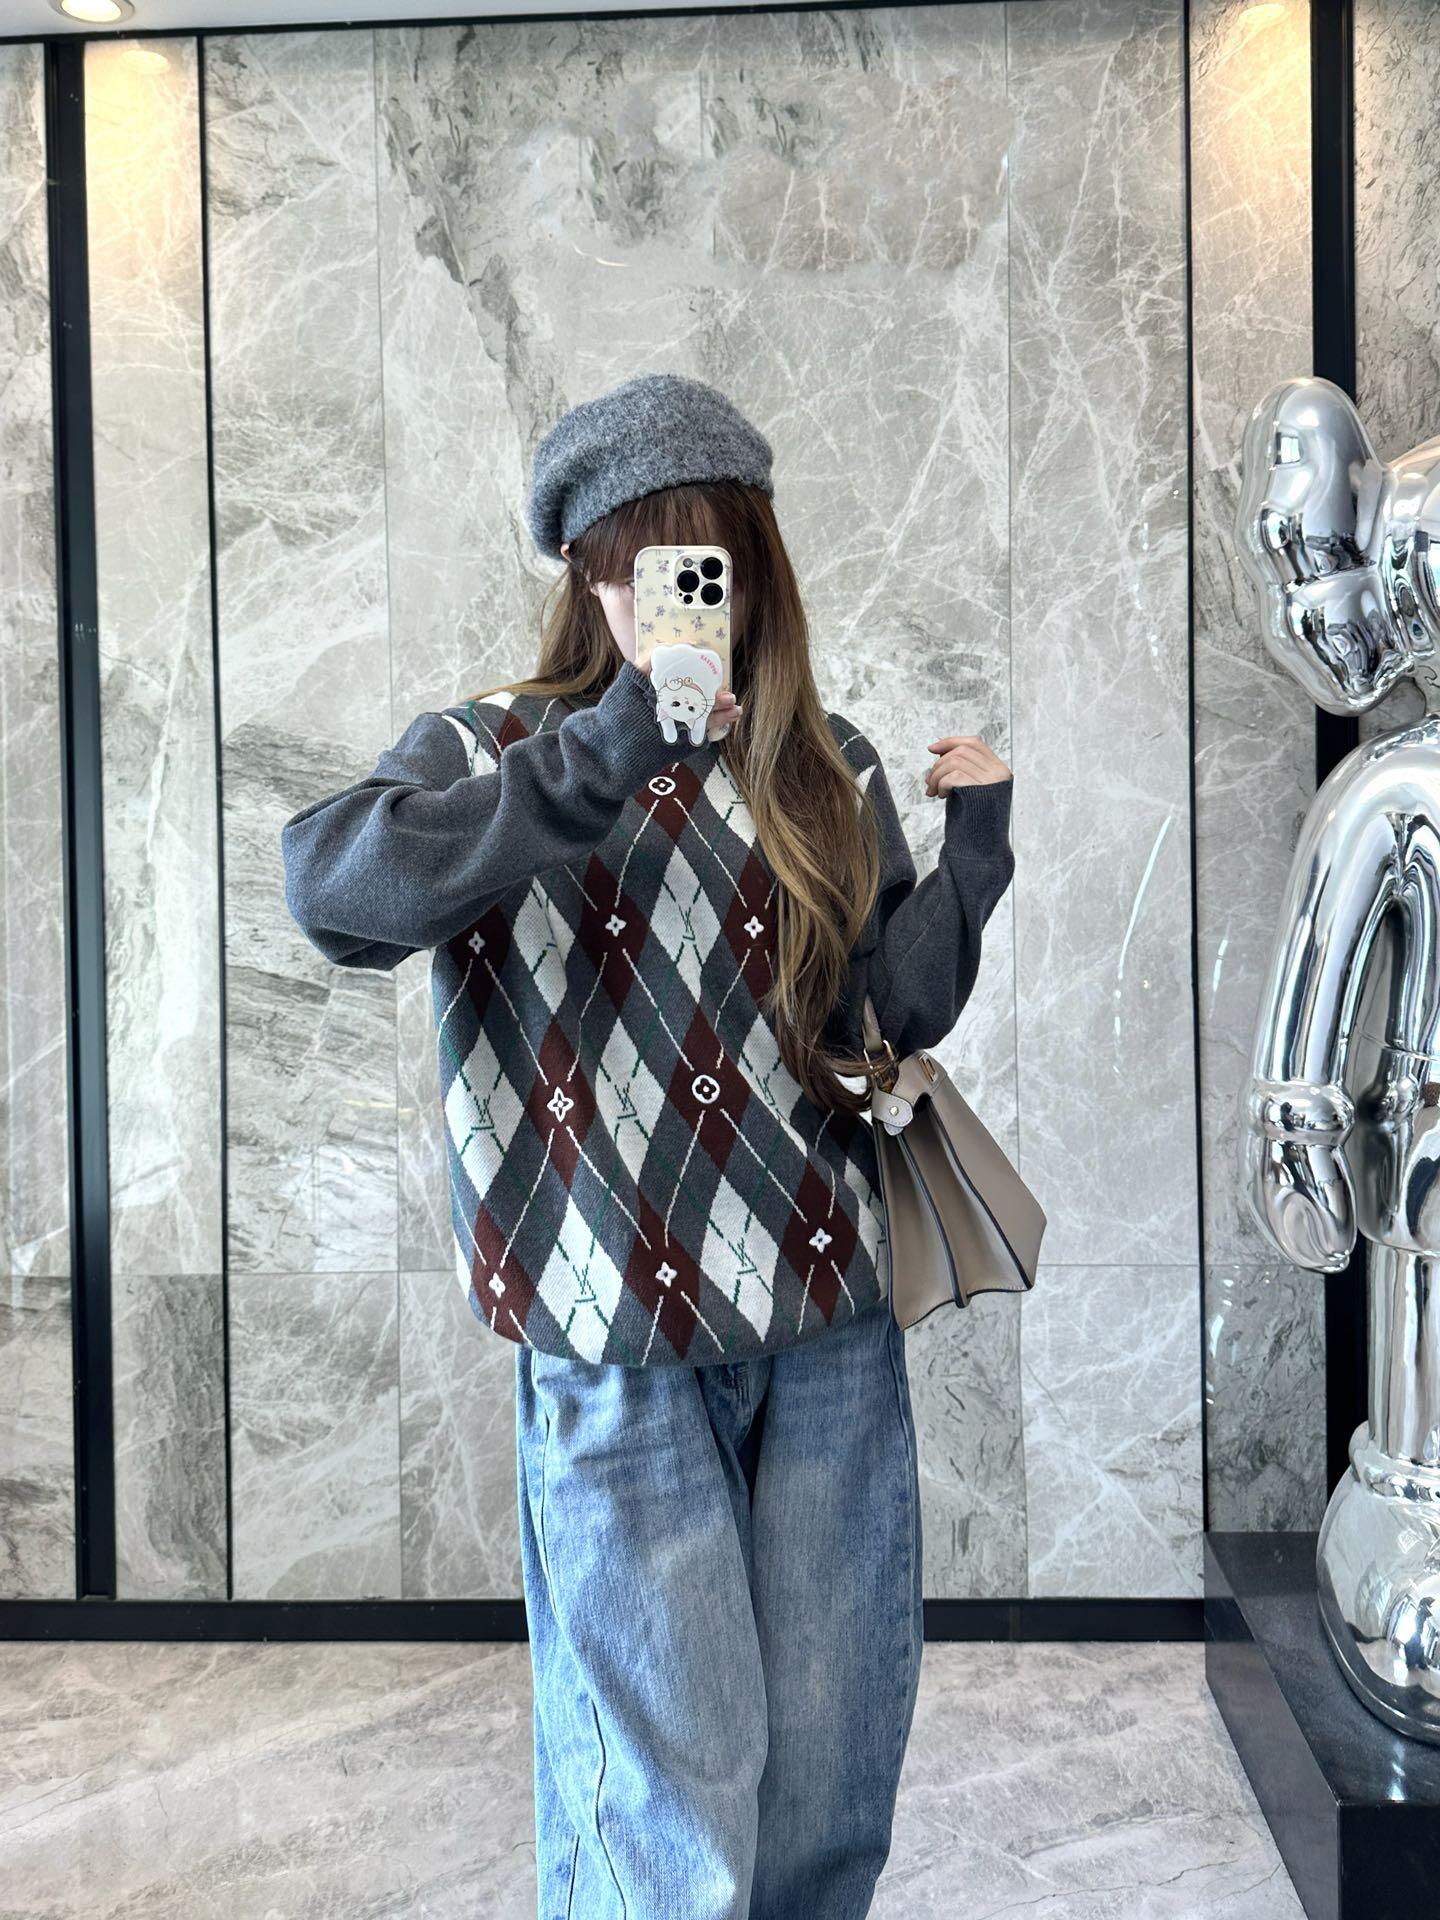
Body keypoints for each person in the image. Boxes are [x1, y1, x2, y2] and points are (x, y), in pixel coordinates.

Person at [280, 371, 1015, 1920]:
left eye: (712, 566)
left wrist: (980, 854)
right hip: (614, 1344)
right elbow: (333, 890)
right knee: (667, 1834)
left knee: (827, 1800)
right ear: (591, 578)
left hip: (828, 1333)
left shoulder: (823, 764)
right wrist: (609, 748)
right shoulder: (499, 752)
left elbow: (888, 1010)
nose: (686, 602)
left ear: (757, 575)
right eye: (650, 568)